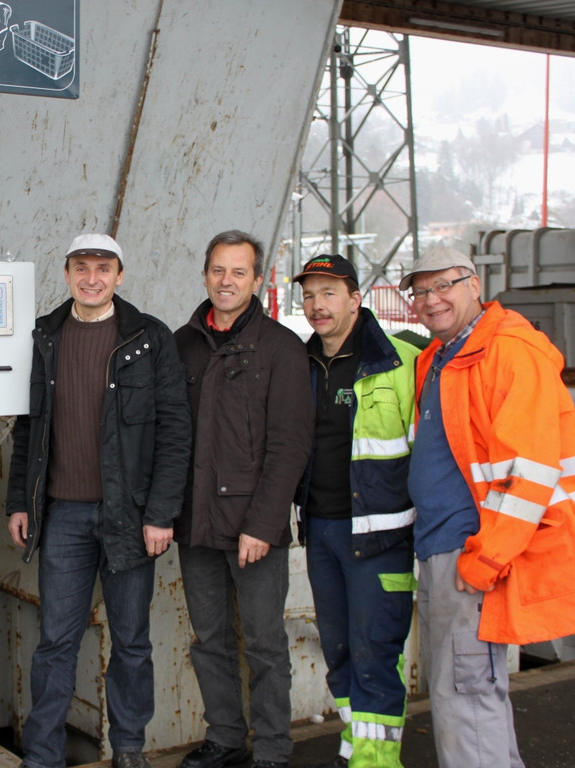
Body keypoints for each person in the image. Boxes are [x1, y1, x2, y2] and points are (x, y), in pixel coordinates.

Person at [399, 245, 575, 768]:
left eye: (444, 285)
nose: (431, 299)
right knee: (469, 692)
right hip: (446, 548)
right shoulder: (441, 357)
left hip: (472, 553)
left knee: (465, 695)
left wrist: (486, 559)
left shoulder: (507, 351)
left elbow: (530, 470)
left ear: (474, 285)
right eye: (421, 291)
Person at [6, 233, 191, 768]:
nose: (92, 278)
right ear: (66, 274)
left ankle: (128, 747)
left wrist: (160, 514)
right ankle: (42, 754)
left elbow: (175, 432)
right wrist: (20, 501)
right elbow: (29, 428)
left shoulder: (149, 338)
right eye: (82, 268)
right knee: (56, 642)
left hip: (129, 517)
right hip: (62, 515)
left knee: (131, 641)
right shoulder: (46, 335)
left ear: (120, 275)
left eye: (103, 268)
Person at [173, 230, 314, 768]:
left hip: (254, 527)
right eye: (218, 270)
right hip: (197, 524)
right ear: (205, 275)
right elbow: (170, 437)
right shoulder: (183, 344)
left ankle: (273, 750)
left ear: (257, 280)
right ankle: (226, 739)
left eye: (238, 272)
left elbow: (289, 445)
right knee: (209, 639)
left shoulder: (280, 348)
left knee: (264, 643)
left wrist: (263, 523)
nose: (226, 281)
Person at [293, 255, 419, 768]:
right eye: (309, 295)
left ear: (355, 299)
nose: (317, 305)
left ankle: (377, 760)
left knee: (375, 652)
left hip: (381, 536)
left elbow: (432, 452)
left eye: (329, 293)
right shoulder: (299, 364)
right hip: (321, 531)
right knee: (340, 651)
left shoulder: (401, 361)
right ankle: (356, 746)